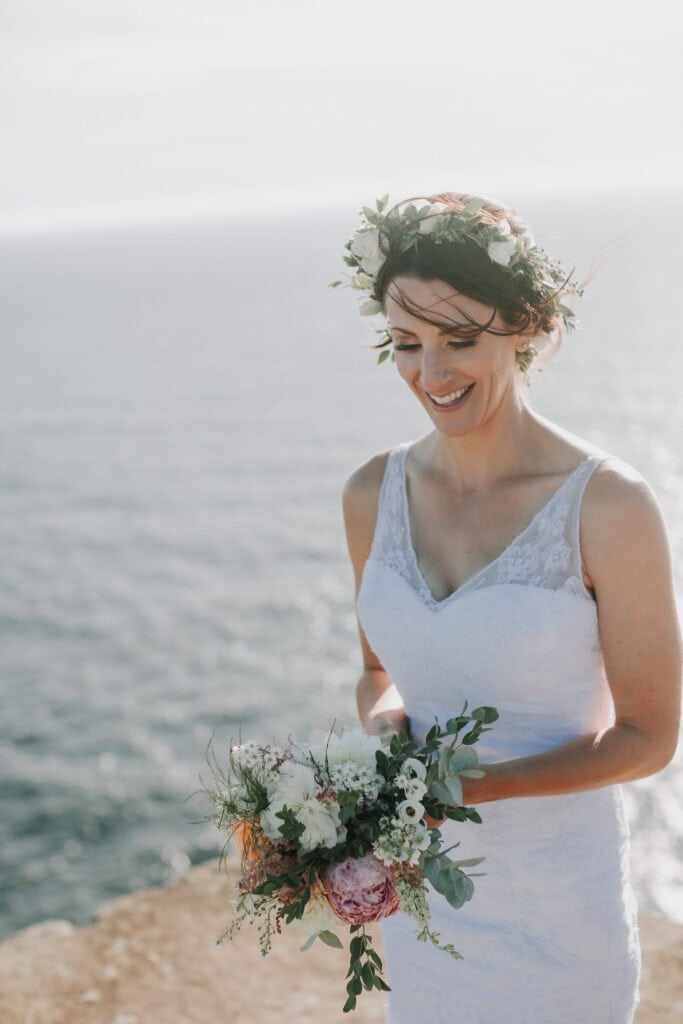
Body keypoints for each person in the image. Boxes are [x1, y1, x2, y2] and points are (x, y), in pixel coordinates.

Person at [336, 192, 682, 1023]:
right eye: (407, 343)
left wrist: (481, 789)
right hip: (428, 917)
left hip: (561, 920)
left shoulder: (608, 505)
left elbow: (650, 738)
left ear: (525, 324)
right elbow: (377, 674)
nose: (432, 373)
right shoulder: (368, 494)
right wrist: (386, 738)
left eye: (460, 340)